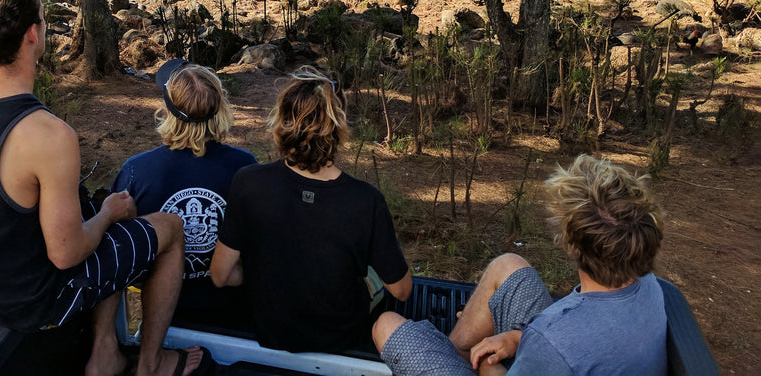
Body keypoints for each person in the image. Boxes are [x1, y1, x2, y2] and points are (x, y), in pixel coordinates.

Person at [0, 0, 208, 376]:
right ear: (34, 35)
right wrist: (108, 215)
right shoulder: (46, 135)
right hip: (35, 302)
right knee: (168, 227)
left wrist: (101, 213)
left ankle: (106, 351)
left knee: (90, 207)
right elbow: (68, 253)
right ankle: (151, 362)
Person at [372, 154, 667, 376]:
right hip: (562, 351)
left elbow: (558, 347)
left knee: (386, 325)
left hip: (551, 352)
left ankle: (460, 361)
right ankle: (457, 355)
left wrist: (490, 367)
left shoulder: (551, 341)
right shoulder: (650, 287)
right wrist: (516, 338)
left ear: (571, 244)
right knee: (508, 264)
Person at [210, 66, 413, 353]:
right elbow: (402, 291)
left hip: (268, 332)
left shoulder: (248, 182)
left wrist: (261, 270)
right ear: (339, 126)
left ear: (281, 122)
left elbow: (221, 275)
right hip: (342, 341)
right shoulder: (366, 201)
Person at [111, 59, 256, 322]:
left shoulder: (136, 171)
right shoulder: (245, 167)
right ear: (221, 108)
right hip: (233, 310)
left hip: (165, 316)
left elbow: (121, 249)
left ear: (166, 110)